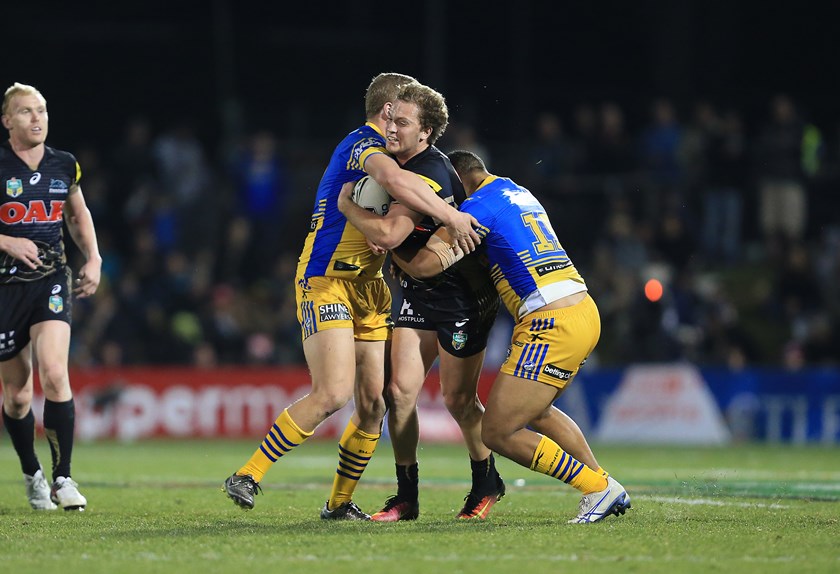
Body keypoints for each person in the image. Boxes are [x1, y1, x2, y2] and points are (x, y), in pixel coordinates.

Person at [222, 73, 480, 521]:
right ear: (386, 113)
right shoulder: (362, 144)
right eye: (398, 116)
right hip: (326, 279)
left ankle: (339, 504)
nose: (399, 126)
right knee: (332, 393)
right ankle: (248, 474)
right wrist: (451, 217)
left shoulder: (411, 161)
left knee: (375, 402)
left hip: (370, 288)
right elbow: (394, 183)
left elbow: (401, 199)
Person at [387, 149, 631, 524]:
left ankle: (596, 488)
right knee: (539, 412)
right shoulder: (518, 192)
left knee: (498, 431)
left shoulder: (477, 207)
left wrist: (389, 240)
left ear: (460, 181)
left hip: (550, 321)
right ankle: (604, 484)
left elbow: (427, 265)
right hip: (581, 308)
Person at [337, 82, 505, 521]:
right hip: (417, 293)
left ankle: (486, 480)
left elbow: (392, 235)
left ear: (426, 133)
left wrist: (352, 211)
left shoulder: (429, 168)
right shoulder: (396, 164)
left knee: (458, 401)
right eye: (390, 119)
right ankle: (406, 496)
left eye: (403, 123)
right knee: (398, 393)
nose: (390, 128)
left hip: (461, 297)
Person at [0, 82, 102, 511]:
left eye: (41, 109)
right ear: (7, 121)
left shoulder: (65, 164)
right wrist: (6, 241)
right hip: (4, 289)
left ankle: (64, 478)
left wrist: (93, 257)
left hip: (50, 279)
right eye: (25, 111)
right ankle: (32, 472)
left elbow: (77, 212)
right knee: (18, 396)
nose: (37, 118)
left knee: (56, 373)